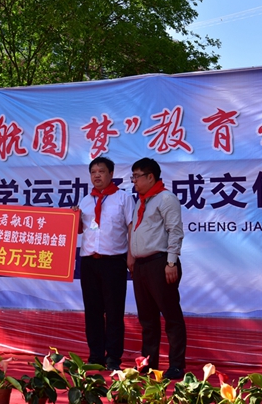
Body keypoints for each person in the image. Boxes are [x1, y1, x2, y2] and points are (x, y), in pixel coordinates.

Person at [128, 157, 186, 379]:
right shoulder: (141, 201)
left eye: (137, 176)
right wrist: (132, 257)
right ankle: (148, 364)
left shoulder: (166, 198)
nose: (134, 181)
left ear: (150, 176)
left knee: (171, 316)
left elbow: (175, 231)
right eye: (133, 176)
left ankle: (176, 365)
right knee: (147, 319)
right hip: (141, 265)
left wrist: (171, 262)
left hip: (161, 263)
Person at [75, 157, 135, 370]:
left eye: (101, 171)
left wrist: (131, 256)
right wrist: (73, 219)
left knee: (114, 311)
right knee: (92, 311)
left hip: (114, 262)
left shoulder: (123, 198)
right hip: (89, 262)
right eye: (93, 172)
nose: (97, 175)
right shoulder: (85, 201)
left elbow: (132, 227)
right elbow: (80, 229)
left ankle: (113, 358)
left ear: (111, 174)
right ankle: (96, 356)